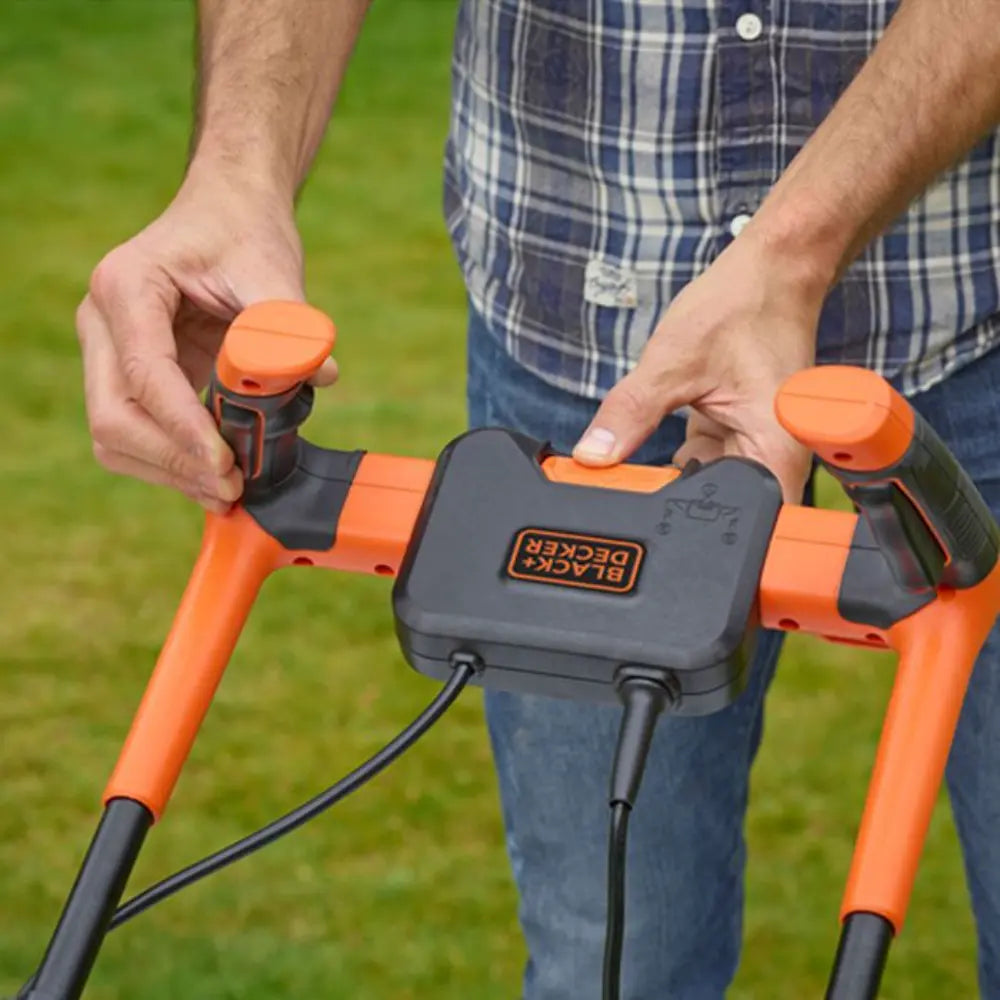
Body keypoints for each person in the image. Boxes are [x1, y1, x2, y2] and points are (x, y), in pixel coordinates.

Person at [75, 1, 1000, 996]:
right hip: (583, 333)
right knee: (609, 952)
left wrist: (791, 251)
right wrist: (237, 168)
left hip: (967, 311)